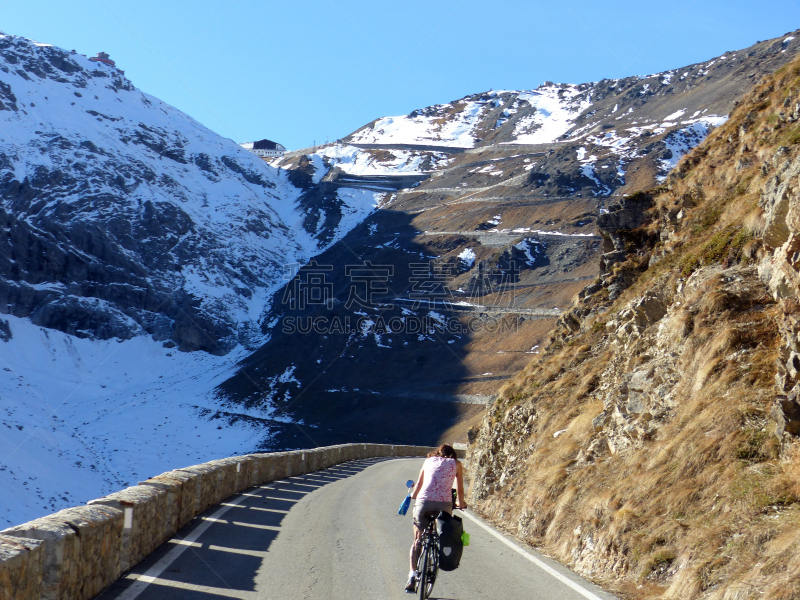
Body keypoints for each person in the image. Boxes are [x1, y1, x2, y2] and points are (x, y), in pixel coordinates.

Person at [405, 444, 467, 593]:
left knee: (417, 541)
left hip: (424, 503)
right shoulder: (456, 464)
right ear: (453, 455)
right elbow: (459, 488)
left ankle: (412, 575)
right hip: (444, 505)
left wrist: (413, 495)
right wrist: (461, 503)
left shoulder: (428, 461)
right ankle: (435, 550)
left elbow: (419, 483)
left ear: (438, 453)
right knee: (440, 531)